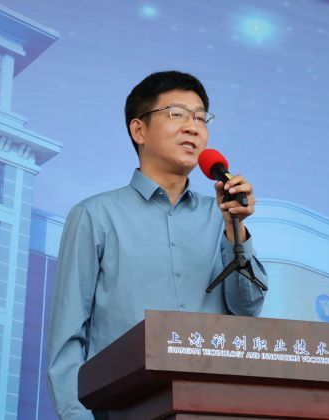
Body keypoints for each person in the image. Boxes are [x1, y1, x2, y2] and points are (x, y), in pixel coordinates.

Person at [47, 70, 268, 419]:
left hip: (214, 409)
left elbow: (247, 309)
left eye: (201, 118)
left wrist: (235, 230)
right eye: (177, 114)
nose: (193, 127)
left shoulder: (222, 216)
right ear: (139, 130)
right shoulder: (95, 216)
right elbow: (67, 340)